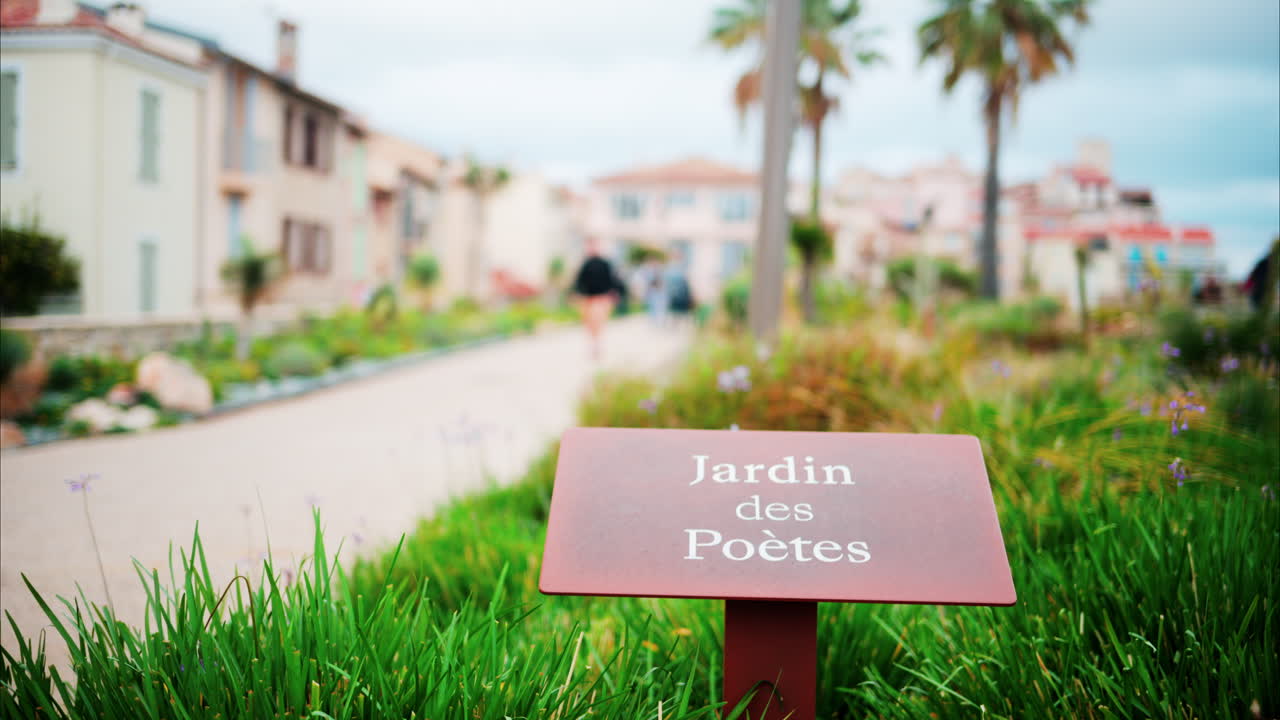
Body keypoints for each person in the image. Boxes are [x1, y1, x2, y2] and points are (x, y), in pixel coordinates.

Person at [572, 237, 619, 359]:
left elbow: (612, 280)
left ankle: (597, 346)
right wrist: (576, 294)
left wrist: (613, 293)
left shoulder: (605, 263)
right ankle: (594, 345)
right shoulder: (585, 264)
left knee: (598, 323)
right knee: (590, 325)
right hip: (588, 299)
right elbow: (579, 282)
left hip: (601, 298)